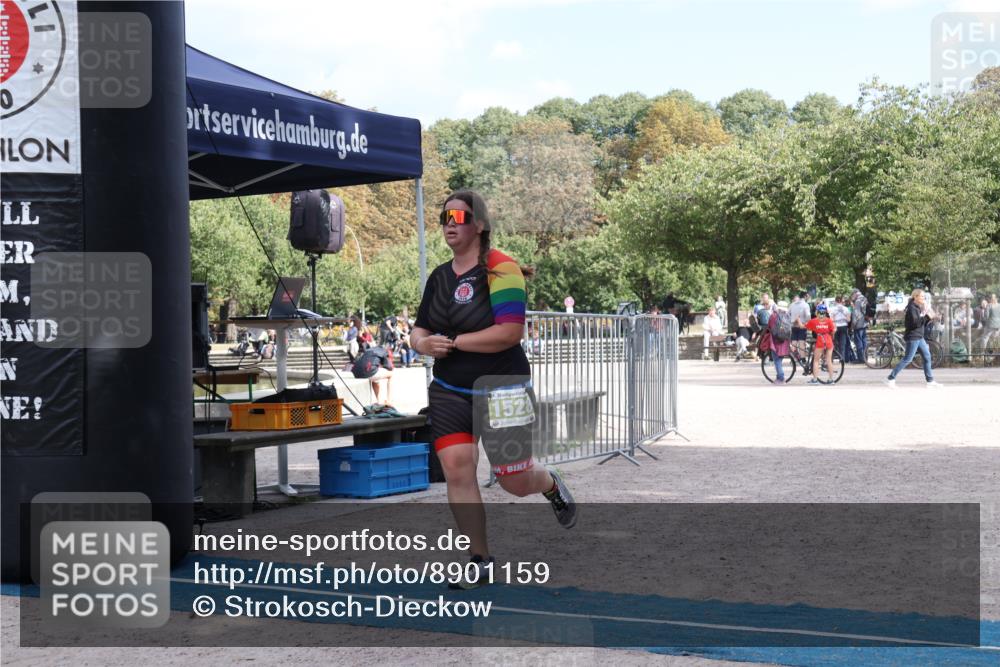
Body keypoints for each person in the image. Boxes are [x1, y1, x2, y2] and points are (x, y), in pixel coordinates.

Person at [409, 189, 576, 589]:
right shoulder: (439, 277)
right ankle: (479, 560)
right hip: (450, 388)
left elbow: (509, 332)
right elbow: (419, 329)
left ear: (480, 225)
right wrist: (421, 344)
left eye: (459, 217)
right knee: (457, 470)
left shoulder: (502, 268)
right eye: (445, 216)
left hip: (503, 386)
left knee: (514, 482)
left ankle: (549, 481)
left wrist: (453, 342)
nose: (450, 222)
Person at [885, 289, 942, 388]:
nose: (923, 298)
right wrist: (927, 316)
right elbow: (916, 323)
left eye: (924, 296)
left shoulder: (917, 307)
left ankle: (930, 381)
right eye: (922, 296)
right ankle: (890, 378)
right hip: (913, 337)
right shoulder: (912, 308)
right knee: (908, 359)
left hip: (919, 336)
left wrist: (930, 317)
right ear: (915, 297)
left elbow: (920, 322)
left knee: (927, 356)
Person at [804, 303, 836, 384]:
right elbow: (833, 331)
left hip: (820, 341)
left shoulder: (814, 321)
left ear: (817, 312)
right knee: (829, 361)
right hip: (828, 340)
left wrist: (797, 321)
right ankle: (831, 379)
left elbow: (804, 326)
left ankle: (815, 379)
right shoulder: (829, 321)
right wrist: (832, 337)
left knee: (816, 361)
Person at [767, 301, 792, 383]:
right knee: (779, 359)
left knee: (776, 360)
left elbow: (770, 326)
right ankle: (778, 377)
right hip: (785, 340)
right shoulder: (787, 315)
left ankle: (781, 378)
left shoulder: (774, 316)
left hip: (776, 341)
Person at [789, 291, 811, 362]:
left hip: (793, 326)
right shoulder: (805, 305)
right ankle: (803, 359)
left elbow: (788, 314)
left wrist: (792, 320)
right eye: (807, 296)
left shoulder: (792, 304)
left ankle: (794, 358)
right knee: (802, 342)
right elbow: (808, 316)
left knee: (794, 343)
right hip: (802, 326)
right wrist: (807, 321)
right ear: (805, 296)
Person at [831, 295, 852, 364]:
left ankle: (831, 358)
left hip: (835, 326)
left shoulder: (833, 309)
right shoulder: (846, 309)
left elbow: (831, 320)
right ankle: (842, 359)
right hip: (844, 326)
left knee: (833, 343)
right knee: (842, 344)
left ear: (836, 301)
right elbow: (849, 320)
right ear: (841, 301)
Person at [850, 289, 869, 364]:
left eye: (852, 295)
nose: (852, 297)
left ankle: (861, 359)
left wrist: (852, 325)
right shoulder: (864, 299)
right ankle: (865, 357)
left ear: (855, 294)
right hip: (864, 323)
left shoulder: (858, 301)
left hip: (858, 324)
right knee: (864, 341)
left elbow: (856, 314)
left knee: (858, 342)